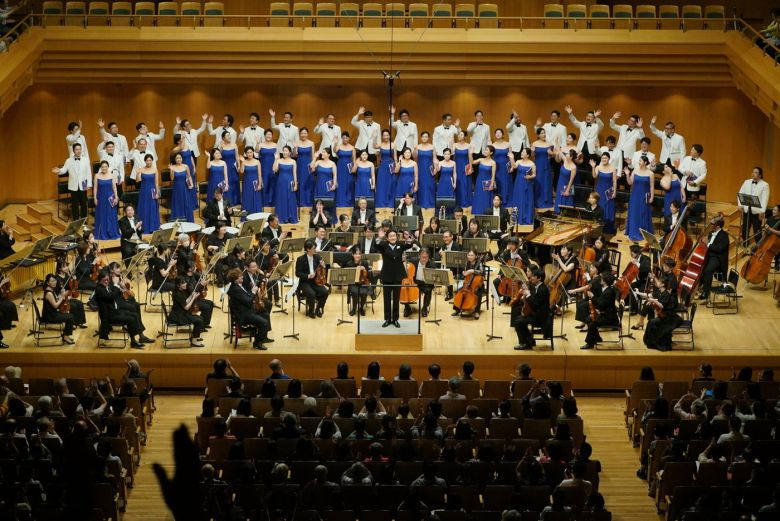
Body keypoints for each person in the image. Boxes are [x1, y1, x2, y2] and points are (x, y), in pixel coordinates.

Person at [375, 227, 415, 328]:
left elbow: (409, 244)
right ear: (387, 238)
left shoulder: (400, 244)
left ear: (396, 237)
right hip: (386, 276)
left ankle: (396, 319)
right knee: (387, 299)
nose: (392, 238)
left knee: (396, 299)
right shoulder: (383, 245)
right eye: (390, 236)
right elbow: (376, 245)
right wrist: (379, 238)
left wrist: (409, 238)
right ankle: (387, 319)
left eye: (394, 236)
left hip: (398, 276)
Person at [226, 268, 271, 350]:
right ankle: (257, 343)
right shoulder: (235, 289)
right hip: (243, 315)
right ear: (235, 280)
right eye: (240, 276)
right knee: (264, 323)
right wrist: (253, 292)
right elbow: (248, 301)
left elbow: (247, 297)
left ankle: (262, 337)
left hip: (247, 310)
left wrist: (252, 292)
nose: (242, 277)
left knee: (265, 313)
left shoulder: (239, 286)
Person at [52, 143, 92, 221]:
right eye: (77, 149)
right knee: (74, 204)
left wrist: (89, 184)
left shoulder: (86, 160)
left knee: (84, 203)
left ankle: (83, 220)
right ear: (73, 150)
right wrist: (59, 171)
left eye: (80, 149)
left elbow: (88, 173)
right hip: (73, 186)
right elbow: (64, 170)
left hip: (83, 185)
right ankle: (76, 221)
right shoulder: (68, 161)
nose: (78, 151)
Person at [512, 268, 550, 350]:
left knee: (518, 322)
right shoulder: (538, 287)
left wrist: (528, 295)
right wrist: (527, 293)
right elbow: (534, 300)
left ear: (539, 278)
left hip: (540, 317)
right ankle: (530, 341)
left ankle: (525, 343)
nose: (531, 278)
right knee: (518, 319)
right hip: (537, 313)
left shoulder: (543, 289)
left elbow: (535, 305)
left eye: (533, 276)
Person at [643, 275, 683, 352]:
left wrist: (653, 301)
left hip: (668, 317)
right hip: (664, 315)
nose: (656, 282)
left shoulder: (666, 293)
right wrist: (652, 300)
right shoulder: (662, 292)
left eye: (659, 282)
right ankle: (649, 342)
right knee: (651, 322)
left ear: (663, 284)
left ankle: (654, 343)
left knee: (652, 322)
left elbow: (662, 305)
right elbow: (659, 299)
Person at [581, 272, 619, 350]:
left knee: (592, 323)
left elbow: (600, 304)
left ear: (605, 281)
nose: (600, 280)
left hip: (610, 318)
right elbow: (601, 303)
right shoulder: (606, 289)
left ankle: (590, 343)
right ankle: (597, 338)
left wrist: (592, 296)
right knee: (588, 319)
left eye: (601, 279)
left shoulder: (609, 292)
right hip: (605, 314)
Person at [697, 216, 729, 301]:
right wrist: (702, 243)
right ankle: (700, 286)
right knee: (700, 267)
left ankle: (705, 293)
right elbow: (708, 245)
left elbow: (719, 249)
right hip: (709, 255)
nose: (710, 225)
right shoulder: (711, 233)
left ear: (717, 226)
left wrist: (708, 244)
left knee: (707, 270)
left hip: (718, 258)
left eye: (712, 224)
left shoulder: (724, 236)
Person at [295, 239, 330, 318]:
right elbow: (297, 273)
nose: (315, 250)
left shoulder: (317, 257)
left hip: (316, 280)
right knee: (312, 294)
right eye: (314, 248)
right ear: (308, 249)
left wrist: (323, 265)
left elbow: (322, 269)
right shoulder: (300, 259)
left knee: (325, 292)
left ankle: (318, 309)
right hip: (305, 282)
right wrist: (307, 275)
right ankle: (311, 311)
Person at [737, 166, 770, 246]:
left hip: (756, 212)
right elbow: (740, 194)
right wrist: (740, 205)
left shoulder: (765, 185)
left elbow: (765, 199)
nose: (753, 174)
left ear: (760, 175)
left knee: (757, 232)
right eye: (753, 172)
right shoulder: (747, 182)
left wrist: (762, 212)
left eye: (756, 172)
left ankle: (757, 250)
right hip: (746, 210)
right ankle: (745, 248)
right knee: (744, 230)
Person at [624, 155, 654, 242]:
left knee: (643, 213)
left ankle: (643, 232)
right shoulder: (635, 170)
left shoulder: (650, 173)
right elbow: (630, 182)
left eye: (640, 161)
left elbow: (652, 187)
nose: (639, 162)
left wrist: (651, 197)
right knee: (634, 213)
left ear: (645, 162)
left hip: (644, 196)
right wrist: (627, 174)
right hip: (635, 196)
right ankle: (633, 231)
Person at [170, 277, 205, 347]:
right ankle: (194, 341)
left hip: (181, 313)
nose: (185, 284)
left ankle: (195, 337)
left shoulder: (180, 291)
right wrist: (193, 298)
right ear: (178, 285)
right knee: (199, 321)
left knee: (200, 318)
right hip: (178, 316)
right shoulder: (177, 294)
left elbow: (185, 301)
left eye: (185, 282)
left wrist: (191, 296)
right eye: (183, 283)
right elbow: (186, 307)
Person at [41, 274, 76, 345]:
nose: (54, 282)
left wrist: (63, 296)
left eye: (55, 280)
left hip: (53, 313)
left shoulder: (51, 289)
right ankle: (66, 336)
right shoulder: (49, 293)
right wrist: (62, 296)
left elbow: (56, 300)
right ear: (48, 283)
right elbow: (55, 305)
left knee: (69, 315)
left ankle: (65, 335)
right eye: (52, 281)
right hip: (50, 316)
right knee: (70, 317)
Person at [452, 249, 485, 319]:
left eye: (472, 255)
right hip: (468, 283)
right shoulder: (467, 262)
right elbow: (465, 273)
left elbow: (482, 272)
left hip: (477, 285)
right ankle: (457, 309)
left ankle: (477, 312)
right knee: (458, 291)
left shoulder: (479, 263)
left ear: (476, 256)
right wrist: (464, 272)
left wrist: (472, 270)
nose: (470, 257)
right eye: (469, 255)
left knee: (478, 294)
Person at [134, 153, 161, 233]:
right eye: (147, 160)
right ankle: (143, 227)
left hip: (152, 191)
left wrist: (157, 193)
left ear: (152, 161)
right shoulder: (141, 169)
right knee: (144, 208)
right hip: (144, 191)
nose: (148, 162)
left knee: (152, 208)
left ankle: (153, 226)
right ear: (145, 161)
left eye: (150, 160)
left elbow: (156, 183)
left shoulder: (155, 169)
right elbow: (137, 180)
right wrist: (138, 173)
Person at [591, 152, 617, 233]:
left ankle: (607, 227)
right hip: (599, 190)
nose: (604, 159)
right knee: (599, 206)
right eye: (602, 158)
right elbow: (594, 176)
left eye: (605, 158)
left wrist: (614, 192)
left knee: (608, 207)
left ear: (609, 159)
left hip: (608, 190)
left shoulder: (613, 168)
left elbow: (614, 182)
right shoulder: (598, 167)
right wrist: (593, 167)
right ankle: (597, 225)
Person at [343, 247, 373, 316]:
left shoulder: (365, 263)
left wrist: (365, 269)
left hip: (363, 282)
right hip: (353, 283)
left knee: (364, 291)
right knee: (355, 292)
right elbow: (348, 277)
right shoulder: (349, 263)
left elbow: (368, 276)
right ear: (352, 255)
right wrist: (355, 271)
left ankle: (361, 308)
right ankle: (354, 309)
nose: (358, 255)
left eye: (359, 254)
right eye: (356, 254)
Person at [273, 145, 299, 223]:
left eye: (286, 151)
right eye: (283, 150)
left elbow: (295, 174)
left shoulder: (293, 161)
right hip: (281, 183)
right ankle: (282, 217)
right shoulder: (279, 160)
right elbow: (275, 170)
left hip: (290, 183)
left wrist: (296, 184)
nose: (285, 152)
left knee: (290, 199)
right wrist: (275, 159)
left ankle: (290, 217)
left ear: (289, 152)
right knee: (281, 199)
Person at [511, 147, 536, 225]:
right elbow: (514, 167)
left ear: (528, 155)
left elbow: (534, 174)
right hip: (519, 183)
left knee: (527, 200)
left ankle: (526, 218)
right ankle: (517, 219)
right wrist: (512, 158)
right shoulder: (518, 161)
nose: (521, 153)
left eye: (523, 152)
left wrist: (530, 177)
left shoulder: (532, 164)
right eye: (522, 152)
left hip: (527, 183)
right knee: (518, 199)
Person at [531, 128, 554, 210]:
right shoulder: (534, 144)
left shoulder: (548, 143)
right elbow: (532, 157)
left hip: (546, 165)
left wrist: (553, 153)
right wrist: (532, 151)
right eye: (541, 133)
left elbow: (551, 155)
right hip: (538, 165)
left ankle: (546, 201)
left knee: (546, 182)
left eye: (544, 133)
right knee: (538, 182)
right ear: (538, 135)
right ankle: (538, 201)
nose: (543, 134)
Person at [168, 152, 194, 223]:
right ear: (175, 159)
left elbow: (189, 176)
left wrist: (191, 184)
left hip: (185, 187)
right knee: (177, 203)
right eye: (177, 158)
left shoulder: (186, 166)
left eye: (180, 158)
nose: (179, 159)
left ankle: (187, 219)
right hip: (176, 188)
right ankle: (177, 219)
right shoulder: (172, 167)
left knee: (186, 202)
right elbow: (172, 178)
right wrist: (171, 170)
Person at [471, 145, 497, 215]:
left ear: (491, 153)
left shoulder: (493, 163)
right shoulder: (481, 159)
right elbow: (472, 162)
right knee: (478, 196)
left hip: (487, 183)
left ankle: (486, 213)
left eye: (487, 150)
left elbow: (493, 175)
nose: (485, 151)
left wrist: (491, 184)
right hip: (479, 181)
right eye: (485, 150)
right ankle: (477, 212)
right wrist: (470, 154)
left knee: (486, 198)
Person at [414, 131, 436, 209]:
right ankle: (420, 202)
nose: (424, 138)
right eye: (423, 136)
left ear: (428, 138)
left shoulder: (432, 147)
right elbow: (415, 158)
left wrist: (435, 168)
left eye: (426, 137)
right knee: (421, 184)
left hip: (429, 169)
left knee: (429, 185)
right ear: (421, 138)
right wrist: (414, 150)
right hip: (420, 168)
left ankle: (429, 202)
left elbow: (434, 159)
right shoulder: (417, 146)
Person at [334, 132, 356, 208]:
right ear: (342, 139)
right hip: (340, 166)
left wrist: (354, 167)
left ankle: (349, 201)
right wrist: (336, 143)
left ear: (348, 138)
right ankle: (340, 201)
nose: (345, 139)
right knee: (340, 183)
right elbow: (334, 151)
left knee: (348, 183)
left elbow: (354, 159)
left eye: (346, 138)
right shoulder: (339, 146)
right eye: (343, 138)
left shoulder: (352, 147)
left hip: (349, 167)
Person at [410, 247, 434, 318]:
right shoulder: (413, 261)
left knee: (428, 290)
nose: (424, 259)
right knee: (406, 289)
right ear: (419, 256)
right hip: (414, 282)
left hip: (425, 284)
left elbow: (432, 280)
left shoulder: (432, 264)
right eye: (423, 257)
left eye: (426, 257)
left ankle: (424, 308)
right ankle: (407, 308)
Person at [239, 146, 262, 217]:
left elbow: (259, 175)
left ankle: (257, 215)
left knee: (256, 198)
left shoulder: (257, 161)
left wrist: (259, 184)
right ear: (245, 154)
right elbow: (241, 171)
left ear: (253, 153)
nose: (249, 154)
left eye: (251, 152)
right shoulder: (244, 162)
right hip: (247, 183)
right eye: (248, 153)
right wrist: (242, 162)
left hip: (255, 183)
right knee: (247, 198)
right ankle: (246, 215)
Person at [453, 130, 473, 209]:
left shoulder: (468, 145)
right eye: (459, 134)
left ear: (465, 137)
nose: (459, 136)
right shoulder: (454, 144)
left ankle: (465, 201)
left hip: (465, 167)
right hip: (457, 166)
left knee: (465, 184)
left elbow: (470, 158)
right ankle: (457, 202)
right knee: (457, 183)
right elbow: (452, 156)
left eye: (461, 135)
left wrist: (470, 168)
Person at [554, 149, 576, 214]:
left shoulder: (574, 167)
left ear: (571, 157)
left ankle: (567, 214)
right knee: (559, 199)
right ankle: (557, 213)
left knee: (567, 200)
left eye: (568, 154)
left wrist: (567, 190)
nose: (566, 154)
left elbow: (571, 180)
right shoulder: (565, 160)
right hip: (560, 183)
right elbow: (559, 151)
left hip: (568, 185)